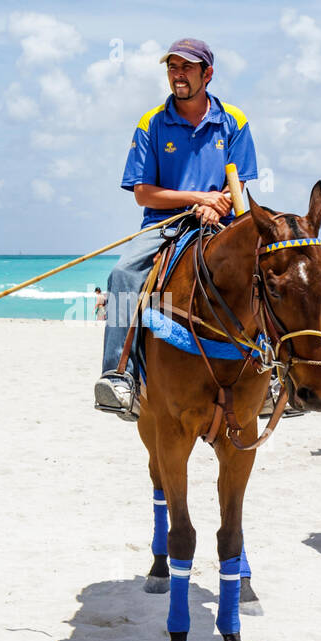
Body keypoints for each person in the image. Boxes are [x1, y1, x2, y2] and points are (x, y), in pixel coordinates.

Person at [94, 38, 257, 419]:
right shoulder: (151, 122)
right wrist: (197, 198)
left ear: (208, 74)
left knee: (266, 272)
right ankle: (118, 374)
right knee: (122, 274)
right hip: (164, 224)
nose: (177, 74)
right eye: (172, 67)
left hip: (222, 221)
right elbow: (143, 193)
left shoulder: (234, 120)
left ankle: (271, 370)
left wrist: (218, 207)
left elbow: (238, 186)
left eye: (186, 67)